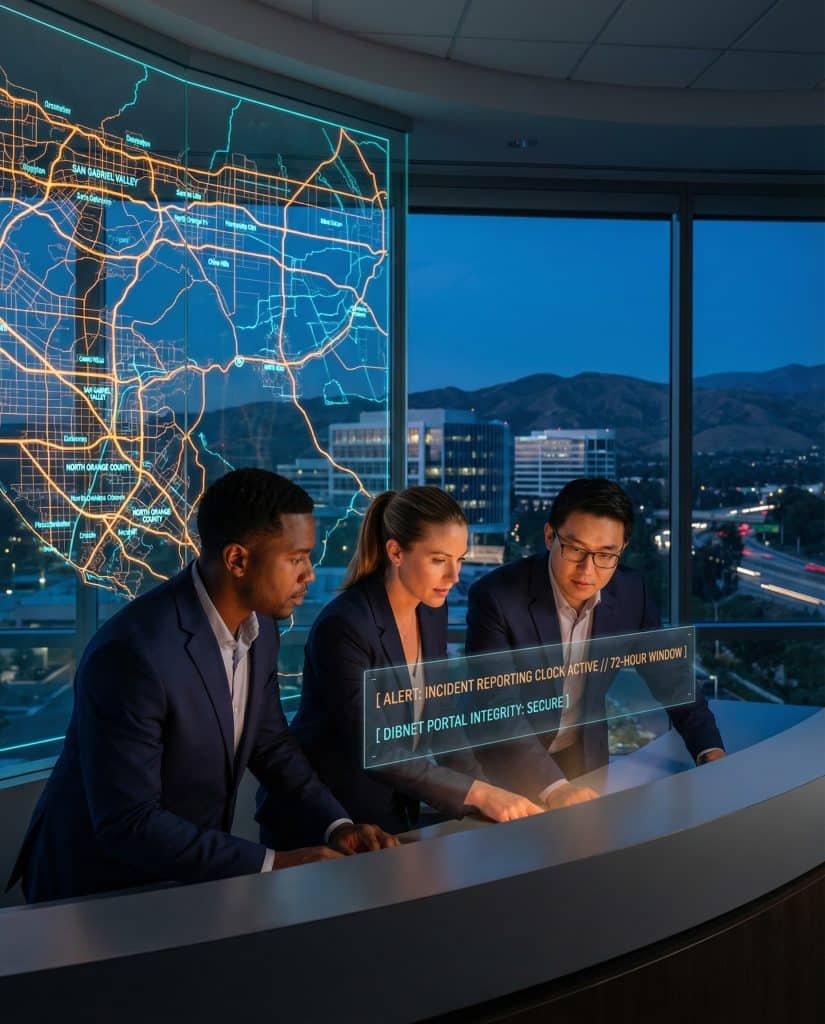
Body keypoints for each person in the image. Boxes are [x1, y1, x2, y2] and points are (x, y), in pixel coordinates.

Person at [7, 469, 396, 904]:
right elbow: (127, 821)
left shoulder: (260, 628)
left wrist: (337, 825)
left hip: (185, 882)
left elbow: (269, 742)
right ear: (237, 560)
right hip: (96, 892)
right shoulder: (133, 654)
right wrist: (273, 864)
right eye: (296, 557)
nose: (309, 573)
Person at [257, 486, 543, 845]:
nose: (454, 576)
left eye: (460, 559)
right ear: (395, 551)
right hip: (323, 822)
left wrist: (486, 792)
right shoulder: (345, 625)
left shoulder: (430, 613)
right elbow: (375, 747)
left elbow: (441, 715)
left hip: (388, 816)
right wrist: (480, 795)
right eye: (439, 560)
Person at [466, 478, 725, 804]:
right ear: (549, 536)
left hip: (583, 762)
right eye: (575, 549)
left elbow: (671, 678)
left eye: (606, 554)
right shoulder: (496, 597)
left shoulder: (632, 594)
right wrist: (555, 788)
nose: (587, 570)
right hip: (503, 774)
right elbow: (498, 707)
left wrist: (708, 748)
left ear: (622, 550)